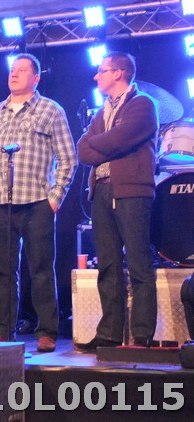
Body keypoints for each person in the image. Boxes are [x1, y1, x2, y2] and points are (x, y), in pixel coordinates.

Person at [0, 53, 77, 352]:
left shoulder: (50, 109)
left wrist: (54, 198)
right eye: (12, 69)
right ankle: (2, 330)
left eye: (21, 70)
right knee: (3, 271)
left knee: (41, 270)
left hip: (37, 202)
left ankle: (46, 331)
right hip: (0, 202)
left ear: (36, 78)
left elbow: (68, 157)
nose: (14, 74)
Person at [75, 52, 158, 351]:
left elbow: (120, 139)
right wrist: (105, 144)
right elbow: (82, 150)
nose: (96, 76)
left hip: (132, 191)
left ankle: (142, 335)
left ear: (119, 73)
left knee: (138, 263)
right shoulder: (102, 111)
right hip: (101, 191)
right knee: (108, 266)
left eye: (102, 71)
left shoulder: (143, 104)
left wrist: (101, 143)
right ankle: (109, 334)